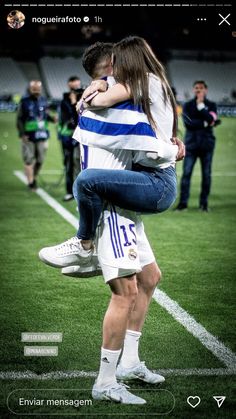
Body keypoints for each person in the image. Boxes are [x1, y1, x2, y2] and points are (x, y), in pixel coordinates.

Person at [39, 40, 184, 404]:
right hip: (111, 206)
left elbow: (136, 125)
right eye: (110, 68)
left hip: (124, 196)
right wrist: (170, 148)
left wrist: (169, 143)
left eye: (118, 66)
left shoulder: (128, 94)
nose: (115, 71)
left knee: (150, 278)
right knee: (126, 292)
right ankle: (105, 382)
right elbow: (104, 103)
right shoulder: (114, 97)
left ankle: (129, 362)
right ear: (103, 71)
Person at [40, 36, 182, 265]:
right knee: (148, 277)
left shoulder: (147, 81)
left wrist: (88, 98)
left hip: (156, 181)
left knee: (86, 181)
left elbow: (102, 101)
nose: (117, 68)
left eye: (119, 61)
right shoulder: (149, 82)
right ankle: (95, 250)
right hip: (147, 174)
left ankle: (84, 244)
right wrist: (100, 82)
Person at [175, 80, 220, 212]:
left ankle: (204, 204)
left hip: (207, 145)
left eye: (201, 88)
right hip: (191, 145)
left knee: (206, 174)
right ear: (193, 90)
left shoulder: (211, 105)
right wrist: (207, 123)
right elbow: (189, 124)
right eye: (196, 88)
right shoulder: (188, 105)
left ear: (206, 90)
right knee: (187, 173)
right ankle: (183, 204)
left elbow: (212, 119)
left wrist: (201, 107)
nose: (198, 90)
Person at [17, 80, 56, 190]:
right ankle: (30, 182)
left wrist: (52, 118)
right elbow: (19, 119)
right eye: (34, 89)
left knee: (40, 160)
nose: (36, 91)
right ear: (30, 89)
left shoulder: (43, 101)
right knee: (29, 159)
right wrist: (22, 133)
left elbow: (46, 114)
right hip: (28, 136)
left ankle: (33, 178)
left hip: (42, 135)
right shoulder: (24, 102)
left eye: (38, 89)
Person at [58, 76, 83, 201]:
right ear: (69, 84)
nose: (76, 85)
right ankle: (69, 191)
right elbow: (68, 120)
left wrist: (75, 103)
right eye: (74, 83)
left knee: (78, 163)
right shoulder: (64, 101)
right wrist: (73, 103)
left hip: (80, 137)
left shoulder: (82, 98)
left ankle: (79, 190)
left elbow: (80, 116)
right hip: (67, 137)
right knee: (69, 164)